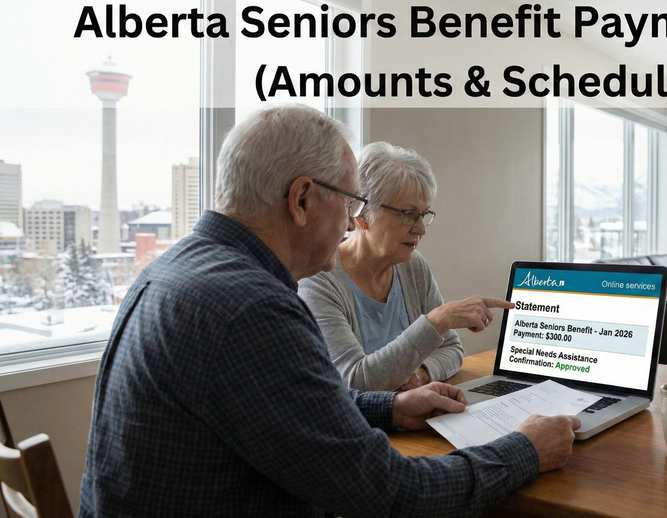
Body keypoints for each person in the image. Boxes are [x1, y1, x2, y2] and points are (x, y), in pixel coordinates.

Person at [79, 103, 580, 518]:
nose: (349, 222)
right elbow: (389, 493)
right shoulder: (252, 308)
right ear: (300, 199)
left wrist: (391, 408)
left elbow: (287, 408)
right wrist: (525, 450)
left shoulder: (174, 269)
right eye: (348, 202)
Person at [299, 142, 503, 392]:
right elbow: (353, 380)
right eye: (408, 214)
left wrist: (420, 373)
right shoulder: (318, 279)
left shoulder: (413, 267)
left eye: (424, 214)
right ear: (362, 214)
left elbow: (451, 350)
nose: (421, 229)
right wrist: (436, 321)